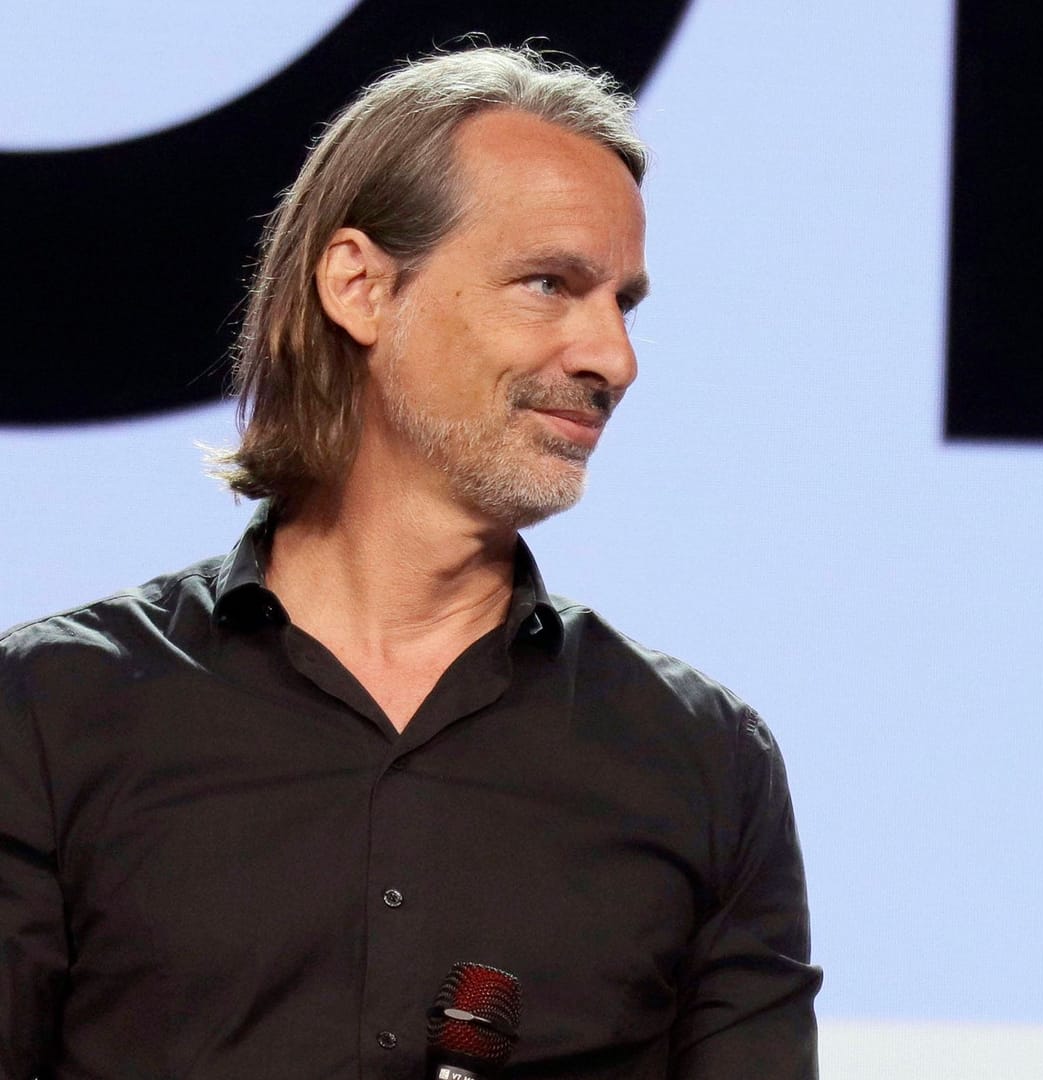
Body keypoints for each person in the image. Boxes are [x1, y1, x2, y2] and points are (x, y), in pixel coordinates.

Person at [0, 46, 819, 1078]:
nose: (613, 358)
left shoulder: (704, 763)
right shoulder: (48, 715)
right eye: (549, 284)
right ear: (361, 287)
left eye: (623, 303)